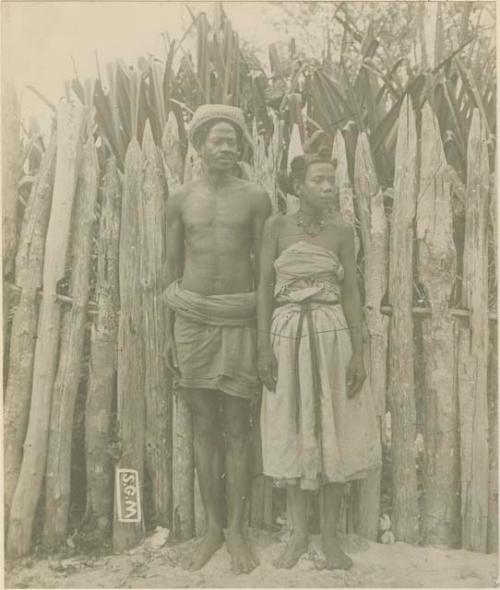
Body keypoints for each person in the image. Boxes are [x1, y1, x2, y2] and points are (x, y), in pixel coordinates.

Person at [256, 153, 381, 571]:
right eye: (319, 181)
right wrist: (262, 346)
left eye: (332, 181)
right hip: (286, 333)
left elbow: (350, 295)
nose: (329, 188)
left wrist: (358, 352)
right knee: (291, 425)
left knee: (334, 430)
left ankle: (329, 539)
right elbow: (263, 288)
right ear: (297, 187)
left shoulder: (343, 232)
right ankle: (295, 536)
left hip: (331, 335)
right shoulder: (275, 227)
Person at [164, 104, 271, 574]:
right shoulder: (181, 199)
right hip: (192, 319)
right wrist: (169, 333)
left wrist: (264, 337)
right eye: (217, 140)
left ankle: (239, 531)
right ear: (200, 146)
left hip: (240, 317)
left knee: (238, 426)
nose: (226, 148)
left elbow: (265, 273)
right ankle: (211, 529)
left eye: (233, 140)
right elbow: (170, 269)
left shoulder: (255, 198)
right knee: (204, 426)